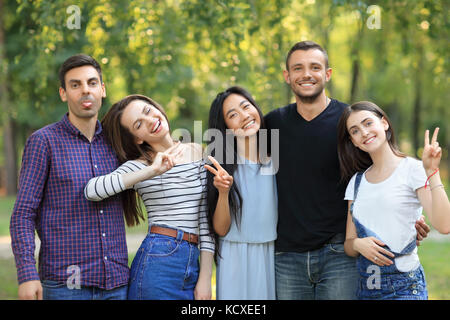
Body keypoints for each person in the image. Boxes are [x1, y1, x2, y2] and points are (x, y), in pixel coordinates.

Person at [264, 41, 430, 300]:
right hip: (287, 255)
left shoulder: (349, 123)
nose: (307, 74)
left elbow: (379, 177)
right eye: (298, 68)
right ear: (287, 76)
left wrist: (408, 219)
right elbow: (243, 161)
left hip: (340, 253)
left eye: (315, 67)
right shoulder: (273, 123)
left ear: (327, 74)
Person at [10, 54, 129, 300]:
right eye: (76, 85)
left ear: (102, 89)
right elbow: (23, 214)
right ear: (64, 93)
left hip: (116, 284)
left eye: (92, 83)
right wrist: (27, 274)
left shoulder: (117, 141)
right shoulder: (44, 142)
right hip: (66, 288)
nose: (86, 91)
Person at [84, 94, 214, 300]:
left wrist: (206, 277)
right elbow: (92, 191)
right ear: (138, 139)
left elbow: (205, 220)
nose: (150, 120)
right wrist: (152, 170)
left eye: (148, 111)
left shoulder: (198, 152)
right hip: (158, 262)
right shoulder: (140, 166)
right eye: (139, 124)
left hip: (192, 261)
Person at [338, 101, 450, 299]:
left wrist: (432, 171)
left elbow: (444, 225)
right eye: (355, 131)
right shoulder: (356, 183)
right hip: (366, 290)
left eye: (368, 123)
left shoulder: (412, 169)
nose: (364, 132)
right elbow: (349, 242)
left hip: (405, 288)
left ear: (384, 123)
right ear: (353, 141)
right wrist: (358, 245)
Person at [205, 86, 278, 299]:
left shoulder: (275, 160)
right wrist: (224, 192)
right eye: (233, 115)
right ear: (226, 128)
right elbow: (220, 228)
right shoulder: (223, 168)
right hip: (234, 256)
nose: (244, 116)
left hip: (270, 253)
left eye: (246, 106)